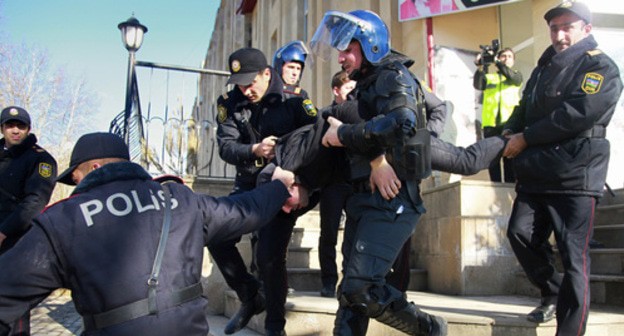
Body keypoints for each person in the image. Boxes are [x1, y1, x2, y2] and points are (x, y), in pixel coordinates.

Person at [0, 132, 296, 336]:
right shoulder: (180, 199)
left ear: (94, 167)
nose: (74, 184)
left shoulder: (63, 220)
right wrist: (280, 185)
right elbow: (246, 210)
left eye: (75, 176)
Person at [310, 9, 448, 335]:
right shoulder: (366, 84)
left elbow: (402, 122)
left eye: (347, 49)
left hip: (392, 197)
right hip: (362, 197)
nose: (340, 57)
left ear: (370, 45)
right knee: (350, 293)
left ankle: (429, 329)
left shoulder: (393, 76)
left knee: (362, 287)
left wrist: (344, 135)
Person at [502, 2, 623, 335]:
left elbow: (578, 113)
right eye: (554, 27)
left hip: (576, 173)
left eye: (567, 26)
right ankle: (552, 292)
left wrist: (527, 137)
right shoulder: (543, 67)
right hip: (537, 171)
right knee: (519, 234)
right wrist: (511, 129)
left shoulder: (599, 66)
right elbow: (524, 106)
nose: (559, 34)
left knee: (574, 258)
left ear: (586, 28)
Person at [213, 47, 318, 336]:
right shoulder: (229, 102)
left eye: (251, 82)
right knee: (217, 234)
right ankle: (250, 296)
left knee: (269, 257)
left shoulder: (294, 98)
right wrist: (254, 150)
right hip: (247, 184)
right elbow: (226, 146)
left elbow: (316, 138)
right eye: (240, 84)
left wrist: (301, 179)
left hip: (281, 184)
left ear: (267, 73)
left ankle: (275, 328)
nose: (246, 90)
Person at [0, 106, 57, 336]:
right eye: (10, 125)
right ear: (2, 128)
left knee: (11, 306)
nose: (15, 130)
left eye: (20, 126)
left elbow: (35, 202)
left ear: (28, 129)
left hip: (15, 241)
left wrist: (3, 232)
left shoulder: (40, 159)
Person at [317, 70, 356, 298]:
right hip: (332, 183)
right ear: (336, 90)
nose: (352, 95)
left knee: (352, 235)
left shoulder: (359, 114)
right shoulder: (325, 115)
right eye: (348, 90)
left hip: (354, 182)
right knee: (328, 234)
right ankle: (328, 281)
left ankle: (348, 281)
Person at [473, 47, 522, 182]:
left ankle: (510, 187)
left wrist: (497, 62)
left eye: (509, 57)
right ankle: (495, 186)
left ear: (513, 61)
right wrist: (480, 67)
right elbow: (478, 84)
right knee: (492, 159)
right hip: (491, 124)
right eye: (503, 56)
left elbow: (512, 78)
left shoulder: (516, 75)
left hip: (509, 123)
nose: (506, 59)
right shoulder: (490, 78)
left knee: (509, 159)